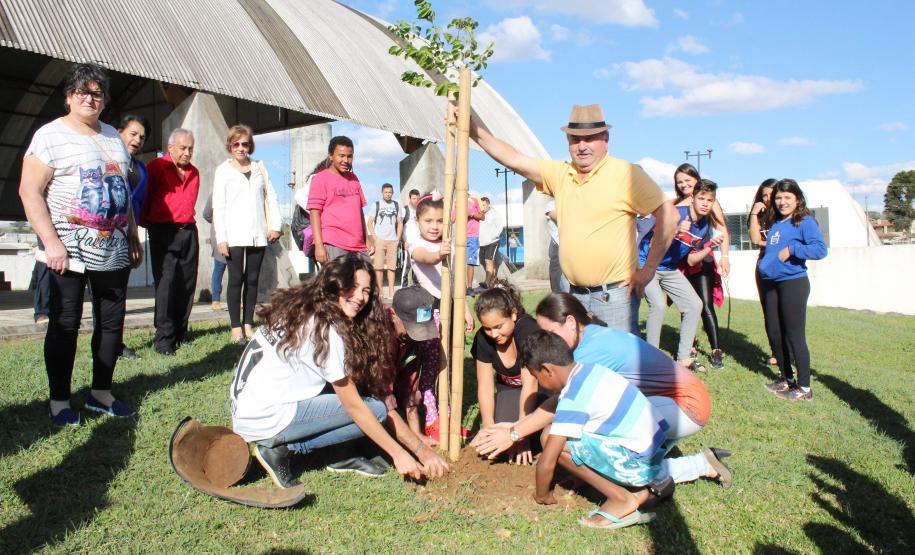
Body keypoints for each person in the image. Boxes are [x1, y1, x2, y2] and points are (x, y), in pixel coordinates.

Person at [230, 254, 448, 488]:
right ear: (335, 282)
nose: (360, 297)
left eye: (366, 290)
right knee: (373, 410)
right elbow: (354, 406)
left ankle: (336, 453)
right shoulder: (325, 330)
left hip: (246, 408)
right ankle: (284, 449)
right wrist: (400, 454)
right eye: (352, 287)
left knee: (365, 407)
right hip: (267, 416)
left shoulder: (304, 308)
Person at [473, 293, 731, 487]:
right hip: (668, 402)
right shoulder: (590, 334)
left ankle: (695, 465)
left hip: (684, 407)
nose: (547, 340)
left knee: (568, 436)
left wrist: (515, 432)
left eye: (550, 332)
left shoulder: (589, 352)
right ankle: (679, 463)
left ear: (571, 322)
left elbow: (561, 406)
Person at [469, 103, 678, 333]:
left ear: (605, 139)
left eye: (590, 138)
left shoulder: (626, 174)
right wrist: (473, 129)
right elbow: (513, 158)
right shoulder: (561, 174)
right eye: (575, 139)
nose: (582, 146)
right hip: (573, 295)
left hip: (615, 297)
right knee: (578, 365)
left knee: (616, 367)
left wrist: (648, 270)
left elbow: (669, 215)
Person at [19, 63, 142, 425]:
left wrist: (132, 233)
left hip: (114, 247)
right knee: (65, 322)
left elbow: (123, 191)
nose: (90, 98)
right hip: (68, 249)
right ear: (69, 97)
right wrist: (51, 242)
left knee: (111, 320)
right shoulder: (49, 136)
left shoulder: (112, 138)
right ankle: (60, 400)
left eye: (97, 93)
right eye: (82, 92)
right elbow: (29, 191)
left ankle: (101, 393)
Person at [522, 330, 669, 529]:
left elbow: (546, 462)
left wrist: (542, 494)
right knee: (564, 435)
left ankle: (621, 499)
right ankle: (641, 490)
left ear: (547, 370)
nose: (539, 384)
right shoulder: (590, 370)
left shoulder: (572, 398)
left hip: (639, 465)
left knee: (550, 438)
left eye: (535, 376)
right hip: (653, 453)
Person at [407, 192, 474, 442]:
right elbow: (425, 257)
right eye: (428, 221)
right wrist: (439, 254)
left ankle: (447, 419)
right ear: (418, 222)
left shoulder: (451, 246)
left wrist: (465, 309)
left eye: (439, 222)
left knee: (450, 366)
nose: (434, 226)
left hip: (451, 308)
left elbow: (456, 284)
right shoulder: (417, 246)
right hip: (429, 312)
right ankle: (432, 420)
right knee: (432, 367)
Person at [758, 179, 827, 401]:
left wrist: (793, 249)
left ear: (797, 199)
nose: (782, 202)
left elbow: (819, 249)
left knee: (793, 334)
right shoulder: (777, 224)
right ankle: (787, 378)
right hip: (771, 283)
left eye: (787, 197)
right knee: (775, 333)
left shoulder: (804, 221)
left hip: (793, 283)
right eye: (778, 197)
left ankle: (804, 388)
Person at [212, 124, 282, 344]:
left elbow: (271, 197)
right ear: (230, 146)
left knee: (252, 281)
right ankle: (235, 328)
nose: (241, 148)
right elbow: (219, 206)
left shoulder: (260, 168)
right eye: (236, 144)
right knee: (235, 280)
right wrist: (221, 238)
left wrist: (276, 225)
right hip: (233, 235)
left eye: (245, 144)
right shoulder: (223, 170)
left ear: (250, 146)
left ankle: (248, 325)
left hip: (257, 233)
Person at [640, 179, 717, 372]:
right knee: (657, 304)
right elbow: (648, 243)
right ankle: (651, 358)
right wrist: (674, 230)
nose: (705, 203)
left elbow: (691, 261)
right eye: (701, 198)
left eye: (710, 199)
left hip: (669, 269)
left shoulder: (705, 225)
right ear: (692, 198)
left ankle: (683, 358)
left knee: (695, 304)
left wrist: (711, 248)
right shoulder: (675, 215)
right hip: (646, 264)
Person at [143, 127, 199, 356]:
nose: (187, 153)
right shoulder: (155, 168)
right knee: (166, 284)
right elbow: (145, 197)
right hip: (163, 230)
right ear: (171, 148)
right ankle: (163, 338)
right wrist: (150, 225)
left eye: (191, 149)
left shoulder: (194, 172)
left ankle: (180, 332)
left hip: (188, 229)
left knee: (186, 283)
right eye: (183, 148)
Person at [471, 282, 542, 464]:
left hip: (539, 392)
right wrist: (488, 428)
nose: (493, 334)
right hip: (509, 393)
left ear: (513, 314)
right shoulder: (483, 339)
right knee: (497, 440)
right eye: (487, 328)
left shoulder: (527, 331)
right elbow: (486, 387)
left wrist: (520, 435)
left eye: (499, 326)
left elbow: (531, 384)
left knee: (533, 439)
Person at [674, 165, 730, 367]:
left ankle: (716, 350)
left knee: (706, 304)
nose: (684, 185)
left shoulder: (707, 200)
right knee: (687, 305)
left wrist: (724, 256)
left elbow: (722, 229)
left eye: (688, 180)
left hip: (703, 258)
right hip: (682, 261)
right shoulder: (676, 205)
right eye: (680, 181)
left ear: (696, 180)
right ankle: (688, 346)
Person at [115, 114, 151, 360]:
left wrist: (134, 237)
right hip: (103, 233)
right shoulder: (105, 160)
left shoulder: (140, 169)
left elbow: (137, 206)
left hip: (128, 236)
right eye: (133, 134)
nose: (137, 140)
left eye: (142, 137)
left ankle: (115, 342)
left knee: (118, 292)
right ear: (119, 132)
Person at [307, 136, 372, 264]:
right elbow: (315, 213)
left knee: (365, 282)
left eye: (349, 156)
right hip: (333, 243)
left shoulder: (354, 179)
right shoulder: (320, 179)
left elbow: (360, 212)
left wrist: (367, 240)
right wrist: (319, 246)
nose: (345, 160)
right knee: (338, 283)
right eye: (341, 156)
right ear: (331, 156)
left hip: (358, 245)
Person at [748, 178, 779, 366]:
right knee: (769, 311)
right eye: (764, 195)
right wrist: (753, 214)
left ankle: (789, 352)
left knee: (784, 312)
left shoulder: (783, 216)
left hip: (782, 266)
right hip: (763, 264)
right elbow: (754, 238)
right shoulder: (760, 215)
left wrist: (766, 242)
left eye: (771, 195)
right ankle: (776, 353)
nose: (767, 199)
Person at [367, 183, 402, 299]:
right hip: (380, 240)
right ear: (382, 192)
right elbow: (369, 223)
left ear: (392, 193)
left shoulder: (396, 205)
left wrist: (398, 238)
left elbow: (400, 223)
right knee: (379, 267)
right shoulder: (376, 205)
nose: (388, 194)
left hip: (393, 240)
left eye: (390, 192)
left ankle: (392, 292)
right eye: (386, 192)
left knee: (392, 267)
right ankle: (380, 292)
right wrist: (375, 238)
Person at [454, 194, 484, 294]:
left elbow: (482, 216)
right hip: (460, 236)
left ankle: (470, 287)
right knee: (460, 263)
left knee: (470, 262)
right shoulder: (456, 201)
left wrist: (471, 214)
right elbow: (452, 219)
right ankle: (461, 287)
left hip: (472, 236)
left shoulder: (475, 199)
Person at [477, 196, 503, 289]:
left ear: (488, 205)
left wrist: (493, 237)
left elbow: (500, 227)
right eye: (481, 205)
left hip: (492, 242)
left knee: (488, 261)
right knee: (485, 262)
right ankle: (494, 281)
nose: (482, 207)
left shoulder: (495, 214)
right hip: (482, 243)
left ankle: (487, 282)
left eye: (483, 205)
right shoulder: (479, 214)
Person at [544, 199, 568, 293]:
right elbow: (564, 220)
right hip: (558, 247)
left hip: (572, 247)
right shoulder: (552, 204)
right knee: (557, 286)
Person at [400, 189, 421, 287]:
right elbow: (399, 227)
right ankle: (403, 288)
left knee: (418, 268)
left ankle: (416, 289)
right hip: (408, 243)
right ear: (409, 199)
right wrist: (403, 241)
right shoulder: (404, 210)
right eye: (414, 198)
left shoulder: (420, 210)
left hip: (419, 244)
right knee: (407, 267)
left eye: (417, 198)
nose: (416, 200)